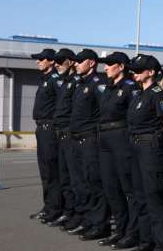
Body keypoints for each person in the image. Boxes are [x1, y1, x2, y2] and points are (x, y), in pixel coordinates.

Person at [126, 54, 163, 251]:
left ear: (151, 72)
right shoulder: (140, 94)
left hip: (151, 149)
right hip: (137, 147)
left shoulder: (158, 94)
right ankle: (146, 240)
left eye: (139, 70)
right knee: (140, 196)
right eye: (134, 70)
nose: (135, 73)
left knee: (155, 197)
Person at [95, 52, 140, 247]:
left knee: (127, 188)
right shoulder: (108, 88)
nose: (105, 67)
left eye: (110, 64)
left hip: (121, 137)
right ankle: (120, 230)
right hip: (105, 139)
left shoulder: (130, 87)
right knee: (111, 186)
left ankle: (133, 232)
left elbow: (134, 116)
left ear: (121, 66)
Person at [65, 49, 109, 237]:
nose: (75, 64)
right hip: (76, 140)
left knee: (93, 183)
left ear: (91, 63)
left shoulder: (98, 85)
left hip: (90, 140)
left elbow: (104, 112)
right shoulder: (80, 84)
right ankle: (87, 220)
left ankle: (100, 224)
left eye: (79, 61)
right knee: (80, 183)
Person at [30, 48, 63, 224]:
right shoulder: (44, 80)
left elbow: (62, 104)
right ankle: (49, 206)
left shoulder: (55, 80)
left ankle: (56, 209)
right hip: (41, 128)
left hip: (50, 129)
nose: (38, 61)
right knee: (45, 171)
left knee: (52, 171)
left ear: (51, 61)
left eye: (42, 59)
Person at [46, 48, 78, 227]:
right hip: (60, 134)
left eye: (60, 61)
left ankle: (78, 214)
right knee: (64, 177)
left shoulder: (77, 82)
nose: (56, 64)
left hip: (71, 134)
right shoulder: (64, 83)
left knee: (75, 179)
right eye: (55, 61)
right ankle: (68, 211)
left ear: (71, 62)